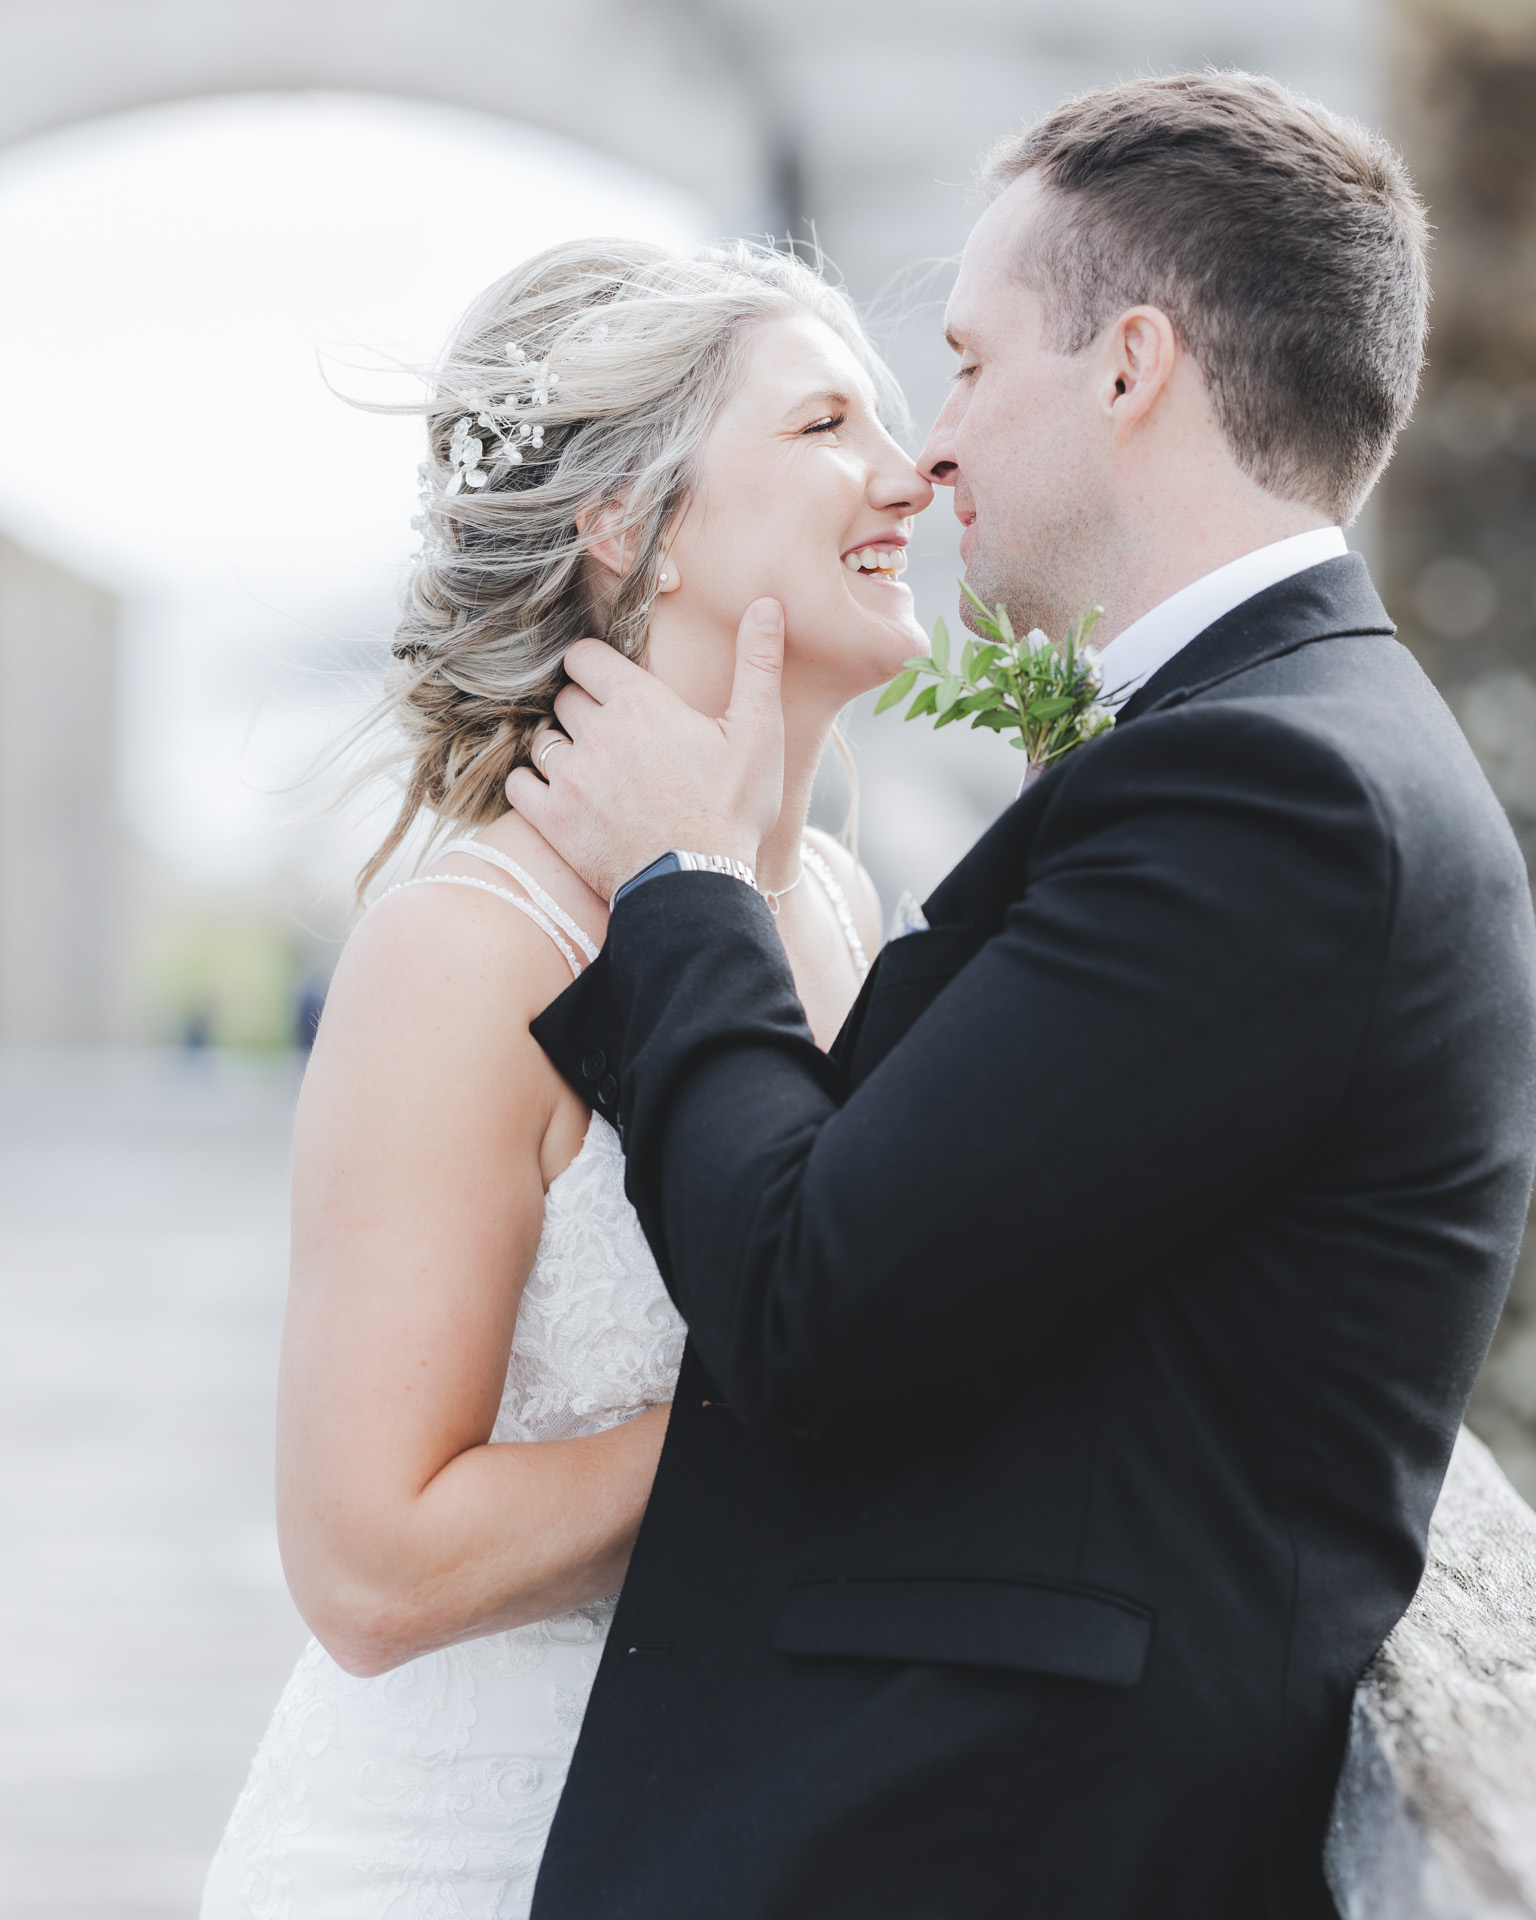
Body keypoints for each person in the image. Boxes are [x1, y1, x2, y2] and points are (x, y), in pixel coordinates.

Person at [511, 74, 1536, 1918]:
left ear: (1133, 364)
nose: (936, 451)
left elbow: (818, 1311)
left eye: (969, 367)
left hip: (969, 1842)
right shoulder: (1274, 753)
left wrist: (679, 879)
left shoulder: (1277, 796)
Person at [199, 238, 930, 1918]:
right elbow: (370, 1562)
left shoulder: (830, 901)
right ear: (632, 524)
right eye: (826, 425)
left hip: (744, 1827)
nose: (910, 475)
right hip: (468, 1852)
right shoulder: (470, 948)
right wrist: (838, 1408)